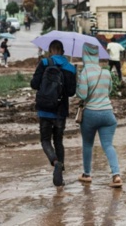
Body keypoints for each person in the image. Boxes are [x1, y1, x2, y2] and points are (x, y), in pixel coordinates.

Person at [30, 40, 77, 187]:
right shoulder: (70, 68)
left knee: (45, 140)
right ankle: (60, 176)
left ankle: (55, 161)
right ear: (62, 51)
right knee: (58, 141)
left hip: (44, 110)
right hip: (60, 112)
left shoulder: (44, 63)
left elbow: (34, 85)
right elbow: (71, 92)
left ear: (50, 50)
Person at [76, 42, 122, 188]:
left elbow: (82, 95)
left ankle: (87, 174)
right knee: (108, 145)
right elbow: (109, 91)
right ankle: (116, 175)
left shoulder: (85, 73)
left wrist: (78, 83)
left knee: (88, 144)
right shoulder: (106, 72)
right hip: (108, 114)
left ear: (85, 55)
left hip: (90, 114)